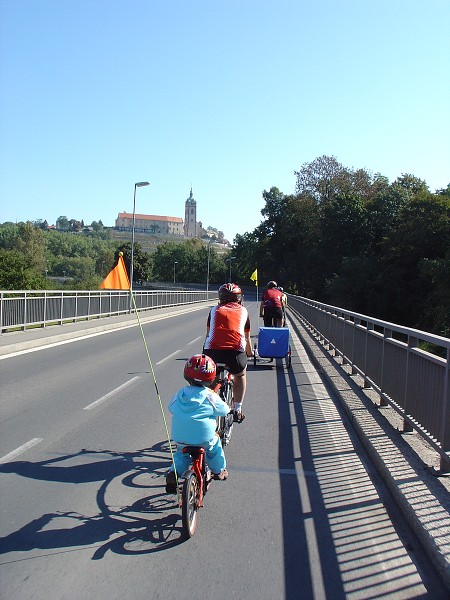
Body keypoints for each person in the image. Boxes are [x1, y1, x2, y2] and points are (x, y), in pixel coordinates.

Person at [165, 354, 229, 494]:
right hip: (204, 438)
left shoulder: (180, 394)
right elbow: (224, 410)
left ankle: (174, 474)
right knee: (214, 448)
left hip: (180, 436)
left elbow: (171, 408)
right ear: (211, 378)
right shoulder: (210, 396)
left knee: (181, 455)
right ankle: (219, 471)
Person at [203, 283, 252, 423]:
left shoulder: (213, 310)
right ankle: (237, 409)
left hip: (212, 352)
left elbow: (208, 334)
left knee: (212, 377)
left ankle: (209, 407)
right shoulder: (243, 311)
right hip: (234, 354)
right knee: (241, 374)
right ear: (239, 298)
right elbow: (247, 337)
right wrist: (249, 353)